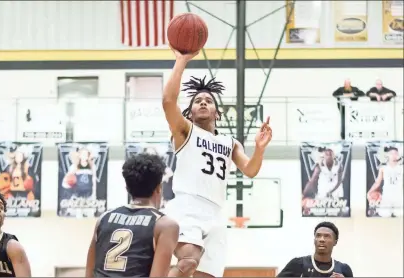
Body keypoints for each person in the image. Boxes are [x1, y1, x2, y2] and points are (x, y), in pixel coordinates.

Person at [162, 47, 272, 278]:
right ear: (190, 112)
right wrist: (181, 60)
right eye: (198, 101)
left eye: (208, 101)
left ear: (217, 113)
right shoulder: (185, 131)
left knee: (208, 275)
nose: (203, 103)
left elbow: (250, 170)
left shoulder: (231, 143)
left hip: (215, 213)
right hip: (187, 206)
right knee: (188, 260)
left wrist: (260, 149)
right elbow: (168, 100)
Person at [85, 153, 179, 277]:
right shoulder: (165, 225)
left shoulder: (104, 218)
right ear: (159, 188)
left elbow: (89, 273)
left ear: (127, 188)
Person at [277, 222, 353, 277]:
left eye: (327, 236)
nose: (322, 239)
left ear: (335, 242)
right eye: (318, 236)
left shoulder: (343, 269)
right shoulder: (297, 264)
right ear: (314, 240)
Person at [367, 146, 403, 217]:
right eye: (391, 153)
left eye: (395, 153)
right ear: (387, 155)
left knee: (400, 214)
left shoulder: (402, 168)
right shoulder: (383, 168)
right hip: (387, 195)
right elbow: (377, 182)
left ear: (398, 155)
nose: (393, 155)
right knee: (384, 214)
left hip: (399, 195)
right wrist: (369, 192)